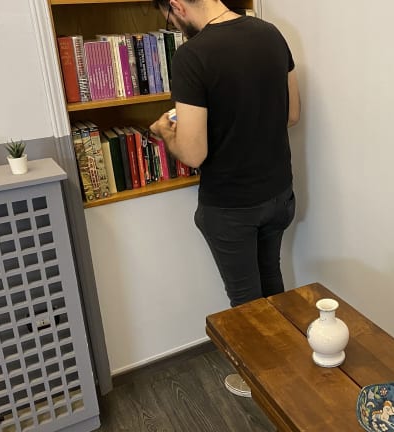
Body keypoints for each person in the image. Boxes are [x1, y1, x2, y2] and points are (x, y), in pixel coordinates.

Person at [150, 0, 301, 397]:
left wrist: (165, 133)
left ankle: (262, 384)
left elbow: (193, 153)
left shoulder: (192, 56)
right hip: (278, 192)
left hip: (232, 205)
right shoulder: (270, 33)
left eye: (169, 17)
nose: (174, 24)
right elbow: (292, 114)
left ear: (177, 6)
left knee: (245, 300)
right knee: (270, 279)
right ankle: (288, 369)